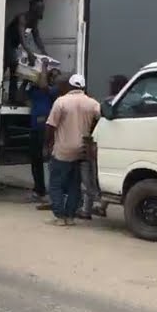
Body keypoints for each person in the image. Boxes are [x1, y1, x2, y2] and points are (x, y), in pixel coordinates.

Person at [45, 74, 102, 226]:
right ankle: (70, 217)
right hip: (81, 150)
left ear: (69, 86)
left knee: (55, 184)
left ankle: (59, 217)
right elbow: (102, 117)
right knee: (74, 185)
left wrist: (47, 145)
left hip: (63, 150)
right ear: (82, 87)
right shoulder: (92, 103)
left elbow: (51, 126)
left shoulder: (61, 102)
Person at [26, 68, 59, 207]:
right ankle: (39, 190)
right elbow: (22, 96)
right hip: (35, 128)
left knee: (50, 161)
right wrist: (28, 81)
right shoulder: (34, 90)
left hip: (46, 129)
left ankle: (53, 192)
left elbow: (45, 86)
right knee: (36, 160)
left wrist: (44, 67)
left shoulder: (52, 91)